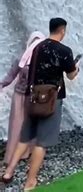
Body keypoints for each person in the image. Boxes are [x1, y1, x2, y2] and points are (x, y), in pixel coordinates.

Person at [1, 18, 79, 190]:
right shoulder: (64, 51)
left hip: (32, 96)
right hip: (52, 100)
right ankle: (30, 181)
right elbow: (71, 75)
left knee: (25, 137)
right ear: (63, 31)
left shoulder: (36, 47)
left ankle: (8, 172)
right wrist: (77, 69)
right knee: (41, 142)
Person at [0, 32, 46, 166]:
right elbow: (11, 75)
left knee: (24, 124)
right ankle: (20, 153)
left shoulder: (32, 60)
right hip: (27, 97)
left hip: (27, 96)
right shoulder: (30, 59)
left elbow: (11, 76)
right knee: (23, 124)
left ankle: (20, 153)